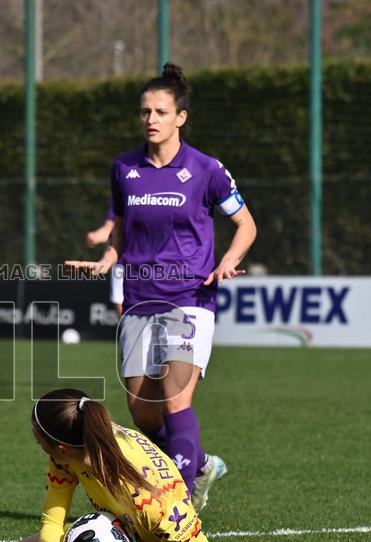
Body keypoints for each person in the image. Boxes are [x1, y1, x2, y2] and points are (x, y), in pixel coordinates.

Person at [67, 63, 257, 512]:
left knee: (175, 398)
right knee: (143, 411)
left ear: (181, 118)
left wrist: (228, 261)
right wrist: (108, 260)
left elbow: (245, 224)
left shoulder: (206, 169)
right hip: (138, 298)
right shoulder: (124, 169)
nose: (150, 119)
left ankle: (180, 505)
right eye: (144, 112)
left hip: (190, 297)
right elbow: (121, 229)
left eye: (160, 111)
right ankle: (201, 464)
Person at [1, 388, 220, 542]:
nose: (36, 440)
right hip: (116, 537)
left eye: (39, 438)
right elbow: (52, 519)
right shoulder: (75, 447)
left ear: (61, 448)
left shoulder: (151, 502)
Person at [84, 207, 124, 316]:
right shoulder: (122, 191)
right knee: (128, 323)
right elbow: (112, 228)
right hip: (123, 266)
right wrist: (96, 236)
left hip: (161, 267)